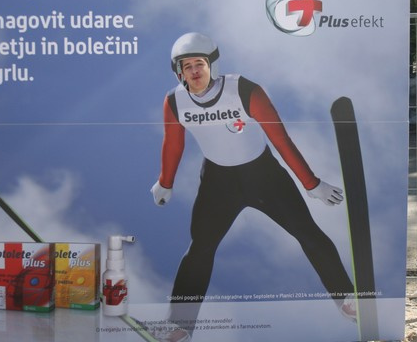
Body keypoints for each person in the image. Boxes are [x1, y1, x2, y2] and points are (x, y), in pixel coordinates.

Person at [151, 32, 356, 337]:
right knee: (199, 249)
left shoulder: (244, 90)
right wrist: (165, 183)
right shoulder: (174, 101)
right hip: (218, 183)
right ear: (178, 71)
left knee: (307, 232)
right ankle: (179, 325)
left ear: (212, 65)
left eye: (199, 64)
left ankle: (348, 298)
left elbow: (280, 139)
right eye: (187, 66)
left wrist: (311, 184)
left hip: (264, 176)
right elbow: (173, 144)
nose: (194, 71)